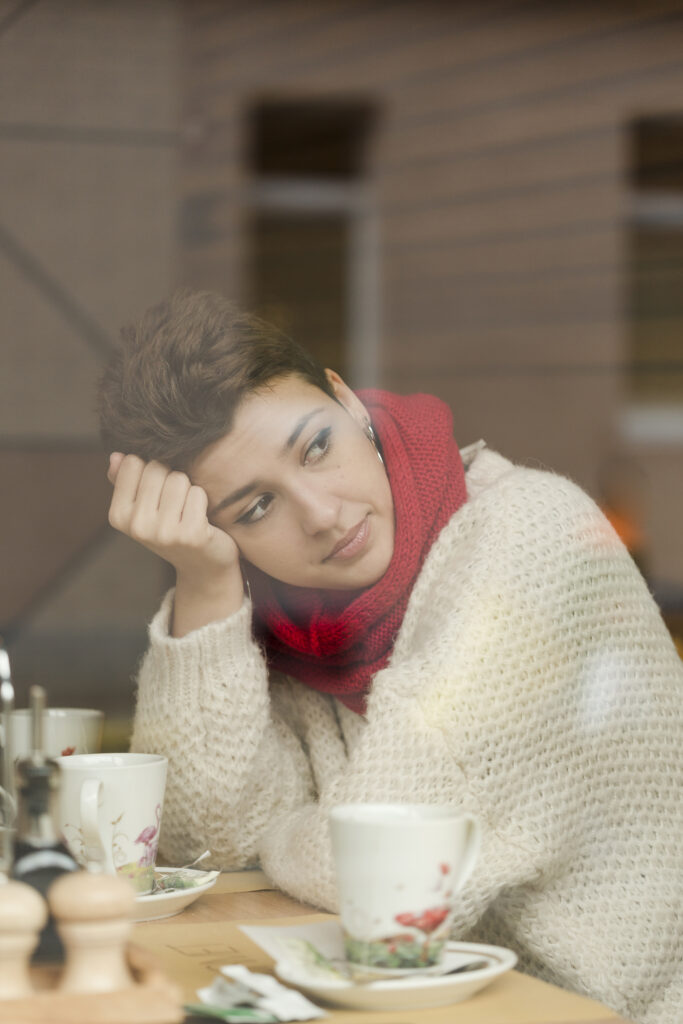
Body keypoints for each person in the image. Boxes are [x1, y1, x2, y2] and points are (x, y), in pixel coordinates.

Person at [99, 290, 683, 1024]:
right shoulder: (302, 626)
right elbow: (210, 844)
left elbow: (382, 881)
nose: (320, 514)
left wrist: (286, 831)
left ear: (346, 401)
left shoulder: (531, 535)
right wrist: (206, 582)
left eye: (316, 446)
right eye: (255, 508)